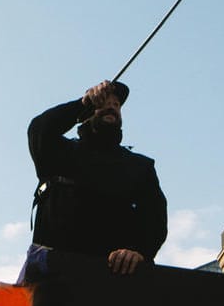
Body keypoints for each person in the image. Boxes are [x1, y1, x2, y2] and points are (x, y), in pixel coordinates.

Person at [27, 80, 167, 275]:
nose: (112, 107)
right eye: (103, 103)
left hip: (111, 275)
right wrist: (82, 103)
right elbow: (39, 130)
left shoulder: (139, 167)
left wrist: (140, 252)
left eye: (116, 105)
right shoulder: (61, 153)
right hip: (53, 275)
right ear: (88, 113)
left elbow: (155, 218)